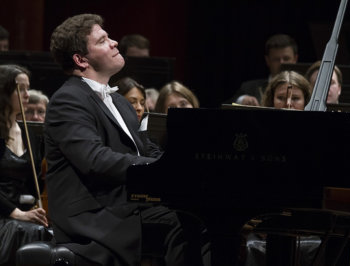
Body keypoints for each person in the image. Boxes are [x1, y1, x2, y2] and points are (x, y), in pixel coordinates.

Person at [45, 13, 209, 266]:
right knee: (189, 221)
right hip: (96, 213)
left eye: (109, 37)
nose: (114, 43)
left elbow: (147, 148)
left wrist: (179, 166)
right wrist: (157, 170)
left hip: (130, 204)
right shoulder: (68, 100)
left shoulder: (120, 101)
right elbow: (94, 159)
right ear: (80, 59)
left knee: (202, 213)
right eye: (102, 40)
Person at [0, 64, 52, 265]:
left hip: (16, 216)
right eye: (20, 89)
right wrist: (18, 214)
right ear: (3, 92)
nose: (27, 95)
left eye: (27, 88)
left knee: (43, 231)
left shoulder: (27, 133)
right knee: (28, 232)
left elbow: (32, 185)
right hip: (7, 217)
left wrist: (34, 208)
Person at [229, 34, 298, 106]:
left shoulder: (306, 87)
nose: (282, 63)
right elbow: (225, 105)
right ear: (267, 60)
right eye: (276, 59)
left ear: (295, 59)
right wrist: (241, 100)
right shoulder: (249, 88)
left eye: (286, 58)